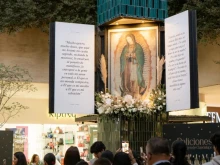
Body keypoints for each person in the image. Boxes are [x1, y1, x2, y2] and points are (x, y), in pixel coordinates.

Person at [120, 33, 146, 98]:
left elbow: (141, 56)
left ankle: (136, 91)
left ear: (132, 38)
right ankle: (127, 91)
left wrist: (135, 56)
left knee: (135, 77)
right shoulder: (125, 47)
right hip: (127, 65)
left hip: (135, 65)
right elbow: (122, 57)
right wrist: (125, 56)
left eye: (129, 39)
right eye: (127, 39)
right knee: (127, 77)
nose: (129, 40)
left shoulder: (138, 46)